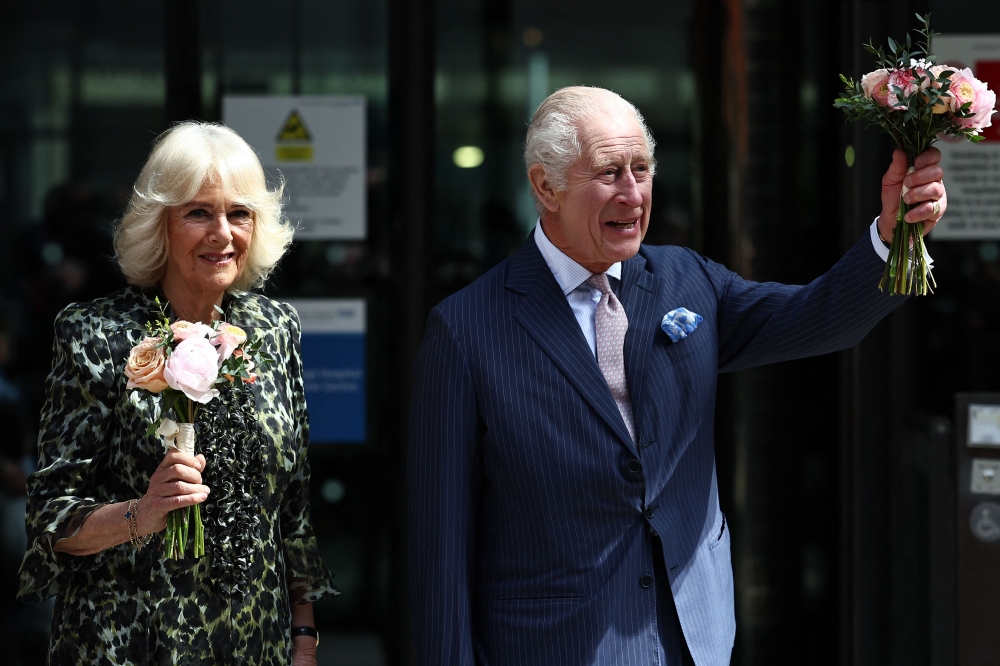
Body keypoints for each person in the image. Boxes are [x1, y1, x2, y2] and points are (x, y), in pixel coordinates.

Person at [407, 86, 947, 666]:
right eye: (609, 172)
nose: (633, 193)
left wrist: (895, 238)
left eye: (642, 169)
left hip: (694, 635)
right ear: (546, 186)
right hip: (553, 643)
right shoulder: (467, 329)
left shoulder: (685, 281)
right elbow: (440, 545)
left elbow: (819, 319)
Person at [16, 122, 337, 665]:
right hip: (131, 642)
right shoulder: (97, 334)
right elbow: (51, 521)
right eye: (198, 213)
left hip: (256, 641)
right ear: (159, 225)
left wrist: (303, 637)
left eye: (239, 213)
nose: (222, 233)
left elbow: (294, 513)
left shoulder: (274, 329)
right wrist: (142, 513)